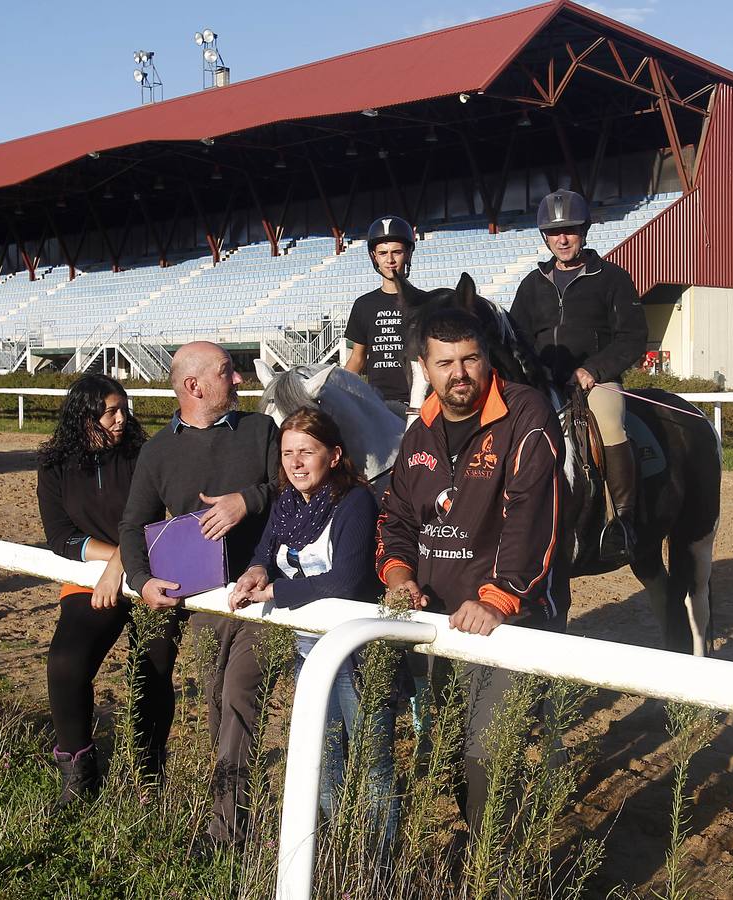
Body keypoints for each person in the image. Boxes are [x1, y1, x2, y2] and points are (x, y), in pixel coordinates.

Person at [375, 307, 568, 833]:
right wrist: (398, 574)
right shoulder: (420, 433)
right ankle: (492, 860)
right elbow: (395, 516)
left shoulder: (527, 415)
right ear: (424, 367)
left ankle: (502, 874)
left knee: (487, 761)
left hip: (503, 622)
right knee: (453, 759)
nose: (459, 374)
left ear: (486, 358)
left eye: (470, 359)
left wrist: (499, 597)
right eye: (445, 363)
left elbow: (532, 514)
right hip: (440, 623)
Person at [118, 340, 281, 849]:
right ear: (194, 386)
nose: (238, 381)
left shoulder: (260, 429)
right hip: (204, 602)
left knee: (237, 700)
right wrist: (142, 580)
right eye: (227, 372)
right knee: (215, 704)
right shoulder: (157, 452)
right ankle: (238, 821)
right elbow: (132, 527)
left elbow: (295, 488)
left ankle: (225, 837)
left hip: (262, 592)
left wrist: (245, 501)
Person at [229, 407, 399, 853]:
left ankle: (379, 864)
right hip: (310, 652)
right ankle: (337, 852)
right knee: (322, 758)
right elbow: (265, 552)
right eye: (288, 453)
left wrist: (273, 594)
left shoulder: (355, 502)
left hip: (358, 654)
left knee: (372, 763)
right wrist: (252, 573)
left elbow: (345, 579)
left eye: (308, 451)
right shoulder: (287, 504)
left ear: (335, 455)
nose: (296, 462)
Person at [37, 373, 173, 806]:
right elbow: (60, 536)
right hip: (92, 579)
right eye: (110, 411)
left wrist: (124, 562)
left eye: (123, 409)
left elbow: (160, 519)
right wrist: (114, 557)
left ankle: (149, 779)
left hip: (155, 573)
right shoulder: (54, 466)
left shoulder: (144, 455)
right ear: (84, 417)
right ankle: (79, 775)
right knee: (65, 663)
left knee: (152, 673)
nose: (120, 419)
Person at [509, 189, 648, 565]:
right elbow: (517, 339)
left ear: (584, 231)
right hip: (542, 385)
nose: (563, 238)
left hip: (594, 384)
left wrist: (595, 369)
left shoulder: (612, 279)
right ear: (545, 238)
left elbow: (633, 336)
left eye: (570, 230)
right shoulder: (531, 285)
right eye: (555, 233)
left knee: (609, 421)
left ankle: (623, 522)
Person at [344, 215, 417, 411]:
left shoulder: (424, 303)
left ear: (408, 253)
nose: (390, 260)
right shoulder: (363, 305)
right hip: (377, 405)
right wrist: (336, 390)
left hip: (419, 404)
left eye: (397, 252)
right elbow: (358, 359)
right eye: (383, 253)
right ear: (374, 256)